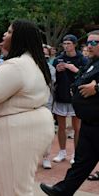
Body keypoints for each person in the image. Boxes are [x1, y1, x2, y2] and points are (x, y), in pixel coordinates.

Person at [0, 19, 54, 195]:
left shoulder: (17, 65)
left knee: (13, 190)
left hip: (16, 136)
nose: (4, 35)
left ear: (19, 37)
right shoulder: (32, 62)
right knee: (17, 187)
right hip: (24, 131)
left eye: (9, 32)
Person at [40, 30, 99, 195]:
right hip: (89, 123)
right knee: (82, 163)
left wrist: (96, 87)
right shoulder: (91, 62)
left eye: (95, 42)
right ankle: (62, 191)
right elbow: (79, 79)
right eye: (88, 42)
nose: (90, 45)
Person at [52, 34, 87, 165]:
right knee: (61, 127)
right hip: (61, 95)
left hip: (76, 97)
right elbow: (53, 77)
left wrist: (74, 69)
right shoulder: (58, 59)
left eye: (69, 43)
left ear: (74, 44)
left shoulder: (82, 59)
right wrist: (57, 69)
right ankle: (62, 152)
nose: (66, 46)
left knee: (76, 127)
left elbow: (86, 76)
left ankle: (76, 153)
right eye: (64, 44)